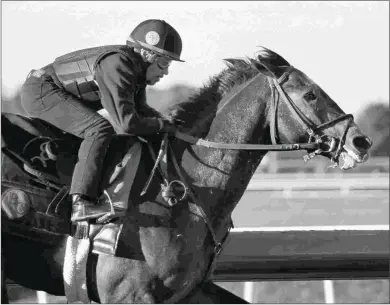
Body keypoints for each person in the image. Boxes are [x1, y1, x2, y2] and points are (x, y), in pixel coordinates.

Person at [20, 19, 184, 223]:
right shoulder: (118, 65)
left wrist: (172, 125)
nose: (165, 72)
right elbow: (126, 124)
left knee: (100, 129)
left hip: (51, 91)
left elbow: (142, 113)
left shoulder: (135, 71)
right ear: (146, 54)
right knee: (99, 129)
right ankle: (81, 203)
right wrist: (163, 125)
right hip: (40, 91)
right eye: (164, 63)